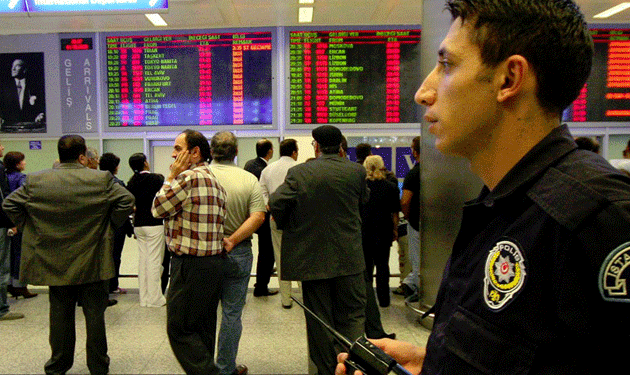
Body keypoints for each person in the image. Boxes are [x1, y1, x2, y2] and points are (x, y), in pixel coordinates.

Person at [337, 0, 630, 374]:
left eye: (446, 65)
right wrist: (434, 362)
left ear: (508, 79)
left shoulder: (599, 219)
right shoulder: (498, 208)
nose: (423, 92)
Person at [3, 134, 134, 374]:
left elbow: (10, 205)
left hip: (55, 260)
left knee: (60, 315)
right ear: (82, 156)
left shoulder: (36, 180)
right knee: (95, 316)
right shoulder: (101, 179)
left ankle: (59, 363)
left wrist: (30, 225)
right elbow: (126, 200)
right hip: (93, 258)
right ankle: (97, 364)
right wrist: (109, 225)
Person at [269, 125, 369, 375]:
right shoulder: (356, 171)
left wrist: (290, 225)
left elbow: (276, 202)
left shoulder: (300, 173)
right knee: (354, 316)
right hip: (350, 259)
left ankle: (326, 370)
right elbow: (363, 200)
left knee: (320, 322)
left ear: (316, 145)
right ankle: (354, 367)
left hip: (313, 261)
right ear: (342, 147)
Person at [151, 129, 228, 375]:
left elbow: (158, 209)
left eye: (177, 149)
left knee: (179, 329)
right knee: (202, 328)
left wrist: (170, 176)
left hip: (190, 266)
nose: (172, 155)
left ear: (194, 153)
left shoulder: (187, 178)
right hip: (213, 264)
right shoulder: (214, 180)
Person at [209, 131, 266, 375]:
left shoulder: (198, 176)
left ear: (211, 151)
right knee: (232, 313)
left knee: (203, 313)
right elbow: (258, 216)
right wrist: (232, 240)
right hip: (238, 251)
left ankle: (202, 367)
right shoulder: (248, 179)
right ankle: (225, 368)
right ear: (236, 152)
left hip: (203, 254)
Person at [259, 138, 299, 309]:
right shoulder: (299, 169)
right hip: (298, 220)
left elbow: (262, 192)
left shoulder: (268, 170)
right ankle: (306, 294)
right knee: (301, 256)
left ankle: (286, 299)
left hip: (276, 218)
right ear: (294, 152)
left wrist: (271, 206)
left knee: (280, 256)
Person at [127, 153, 167, 307]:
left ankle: (144, 298)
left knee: (143, 261)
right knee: (155, 260)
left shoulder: (131, 182)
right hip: (154, 223)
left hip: (138, 225)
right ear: (145, 163)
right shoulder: (156, 179)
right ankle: (155, 298)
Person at [243, 138, 277, 297]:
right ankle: (261, 286)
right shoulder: (265, 170)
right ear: (270, 151)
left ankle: (258, 285)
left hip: (248, 213)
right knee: (267, 252)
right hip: (262, 215)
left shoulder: (249, 165)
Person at [99, 152, 133, 298]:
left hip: (99, 224)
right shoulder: (117, 183)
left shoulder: (94, 181)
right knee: (115, 256)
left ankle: (103, 286)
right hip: (116, 226)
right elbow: (127, 201)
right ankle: (112, 285)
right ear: (115, 167)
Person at [4, 151, 36, 299]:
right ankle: (19, 285)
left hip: (5, 221)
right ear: (18, 164)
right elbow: (24, 199)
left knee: (8, 254)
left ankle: (9, 283)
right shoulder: (22, 179)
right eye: (22, 161)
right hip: (18, 221)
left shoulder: (4, 177)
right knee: (20, 254)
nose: (24, 163)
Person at [0, 140, 23, 321]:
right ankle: (2, 308)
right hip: (3, 222)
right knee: (4, 263)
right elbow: (5, 199)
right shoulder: (2, 170)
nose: (2, 148)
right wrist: (11, 222)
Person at [399, 136, 420, 303]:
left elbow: (405, 200)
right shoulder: (435, 172)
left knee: (417, 259)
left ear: (414, 152)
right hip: (439, 226)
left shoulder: (413, 174)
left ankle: (416, 289)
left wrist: (407, 215)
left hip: (416, 224)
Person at [0, 58, 45, 131]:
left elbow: (42, 106)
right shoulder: (4, 88)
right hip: (9, 129)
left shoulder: (35, 86)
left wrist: (41, 115)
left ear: (24, 70)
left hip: (31, 128)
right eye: (12, 66)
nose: (13, 69)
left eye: (17, 66)